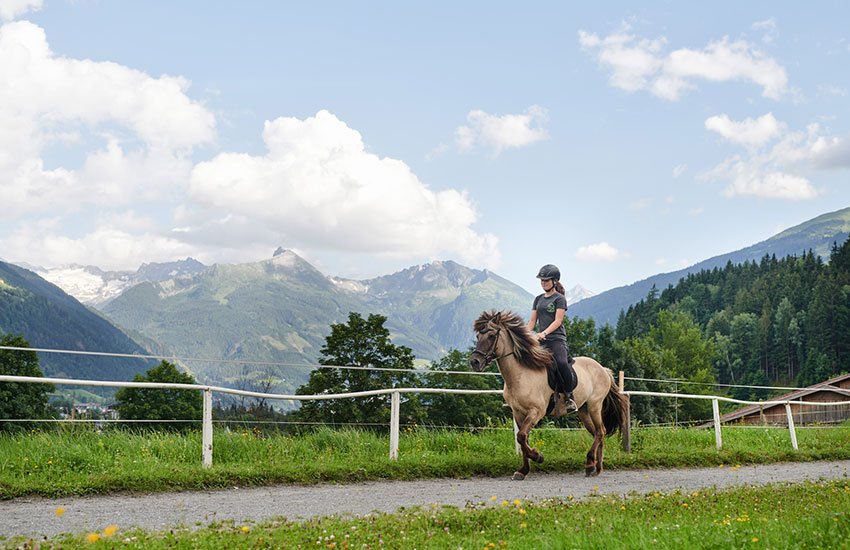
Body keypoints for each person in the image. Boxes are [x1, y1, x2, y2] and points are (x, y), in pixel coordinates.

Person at [526, 264, 577, 414]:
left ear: (554, 281)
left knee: (561, 363)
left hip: (556, 339)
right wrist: (524, 335)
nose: (543, 283)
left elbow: (558, 321)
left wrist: (543, 333)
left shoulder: (559, 299)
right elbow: (531, 322)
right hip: (541, 340)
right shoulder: (538, 299)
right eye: (541, 280)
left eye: (546, 280)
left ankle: (569, 397)